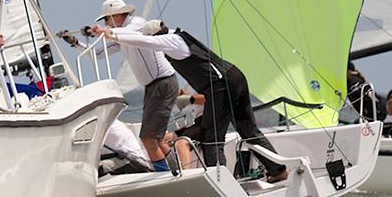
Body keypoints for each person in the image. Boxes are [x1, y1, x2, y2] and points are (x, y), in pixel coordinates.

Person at [99, 18, 289, 183]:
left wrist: (113, 35)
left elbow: (142, 41)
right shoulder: (179, 35)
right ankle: (278, 170)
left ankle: (221, 184)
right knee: (248, 129)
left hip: (221, 86)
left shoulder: (171, 41)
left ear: (156, 36)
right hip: (235, 76)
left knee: (211, 138)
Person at [90, 0, 180, 172]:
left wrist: (105, 32)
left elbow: (131, 33)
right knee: (156, 139)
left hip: (163, 82)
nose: (107, 23)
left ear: (116, 15)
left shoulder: (137, 24)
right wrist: (74, 43)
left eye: (107, 19)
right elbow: (97, 53)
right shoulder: (121, 34)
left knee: (148, 138)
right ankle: (178, 171)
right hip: (154, 87)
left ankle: (165, 174)